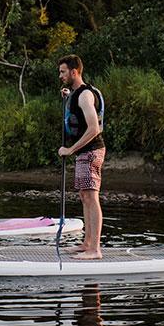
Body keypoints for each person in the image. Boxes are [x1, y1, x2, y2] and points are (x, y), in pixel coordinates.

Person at [57, 54, 106, 260]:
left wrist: (70, 149)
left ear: (74, 72)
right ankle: (87, 243)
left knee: (91, 197)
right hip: (84, 152)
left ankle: (95, 249)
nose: (60, 75)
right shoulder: (78, 93)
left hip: (92, 151)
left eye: (63, 71)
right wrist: (68, 95)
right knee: (84, 196)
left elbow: (94, 128)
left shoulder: (85, 95)